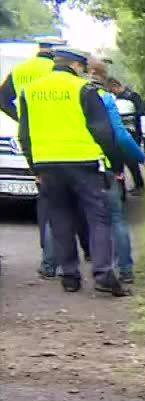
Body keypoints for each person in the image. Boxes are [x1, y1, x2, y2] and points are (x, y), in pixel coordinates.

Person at [18, 47, 128, 296]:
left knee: (60, 218)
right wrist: (115, 164)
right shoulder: (84, 89)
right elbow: (103, 131)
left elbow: (24, 134)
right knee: (98, 218)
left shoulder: (31, 91)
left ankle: (69, 275)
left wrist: (34, 165)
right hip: (83, 163)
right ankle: (103, 274)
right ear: (77, 66)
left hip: (47, 165)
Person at [89, 57, 145, 283]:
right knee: (116, 218)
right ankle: (124, 269)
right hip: (105, 165)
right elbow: (121, 136)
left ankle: (99, 270)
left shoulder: (73, 99)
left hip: (80, 166)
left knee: (93, 220)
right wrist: (141, 158)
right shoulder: (107, 99)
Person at [0, 40, 58, 277]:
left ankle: (49, 255)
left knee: (45, 197)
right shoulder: (57, 72)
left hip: (28, 134)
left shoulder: (20, 70)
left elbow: (3, 100)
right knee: (59, 202)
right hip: (54, 134)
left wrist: (20, 116)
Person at [107, 77, 145, 196]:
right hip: (122, 131)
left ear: (116, 86)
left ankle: (139, 185)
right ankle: (122, 189)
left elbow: (142, 112)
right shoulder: (116, 98)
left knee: (131, 161)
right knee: (120, 161)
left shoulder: (132, 96)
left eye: (112, 89)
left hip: (132, 131)